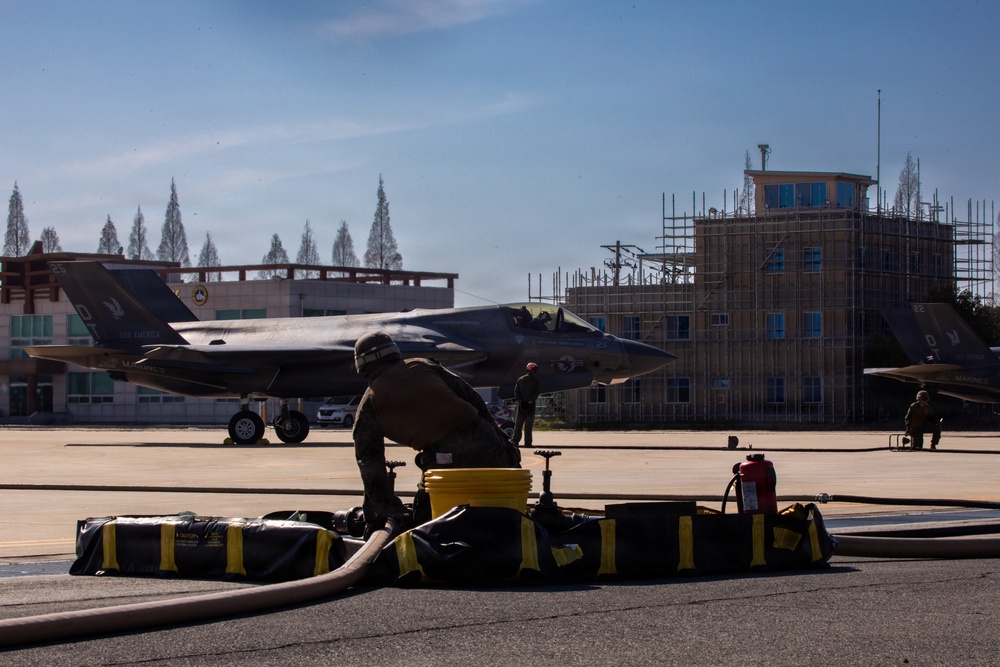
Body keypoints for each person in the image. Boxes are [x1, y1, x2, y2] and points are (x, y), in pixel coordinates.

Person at [351, 331, 521, 536]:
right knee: (502, 511)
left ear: (362, 365)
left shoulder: (370, 403)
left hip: (443, 456)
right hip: (485, 439)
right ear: (394, 353)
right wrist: (504, 444)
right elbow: (472, 398)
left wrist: (386, 511)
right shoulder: (423, 365)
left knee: (427, 525)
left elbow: (370, 462)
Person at [512, 362, 541, 448]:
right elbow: (536, 393)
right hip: (530, 406)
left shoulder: (520, 379)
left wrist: (521, 401)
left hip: (521, 406)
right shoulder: (536, 380)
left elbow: (516, 391)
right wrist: (529, 401)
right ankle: (527, 443)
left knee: (518, 425)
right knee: (528, 426)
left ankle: (515, 441)